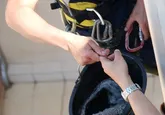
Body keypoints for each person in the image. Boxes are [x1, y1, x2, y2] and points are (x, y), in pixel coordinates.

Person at [5, 0, 156, 70]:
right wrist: (68, 41)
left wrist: (145, 3)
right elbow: (15, 13)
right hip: (96, 38)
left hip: (135, 10)